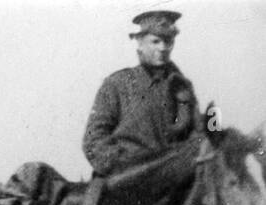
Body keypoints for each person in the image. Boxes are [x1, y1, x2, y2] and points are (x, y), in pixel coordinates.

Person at [82, 11, 199, 179]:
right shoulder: (117, 84)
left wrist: (215, 126)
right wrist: (123, 167)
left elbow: (199, 136)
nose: (162, 48)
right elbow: (93, 140)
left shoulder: (182, 88)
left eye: (168, 42)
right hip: (128, 184)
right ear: (140, 43)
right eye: (155, 41)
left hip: (173, 183)